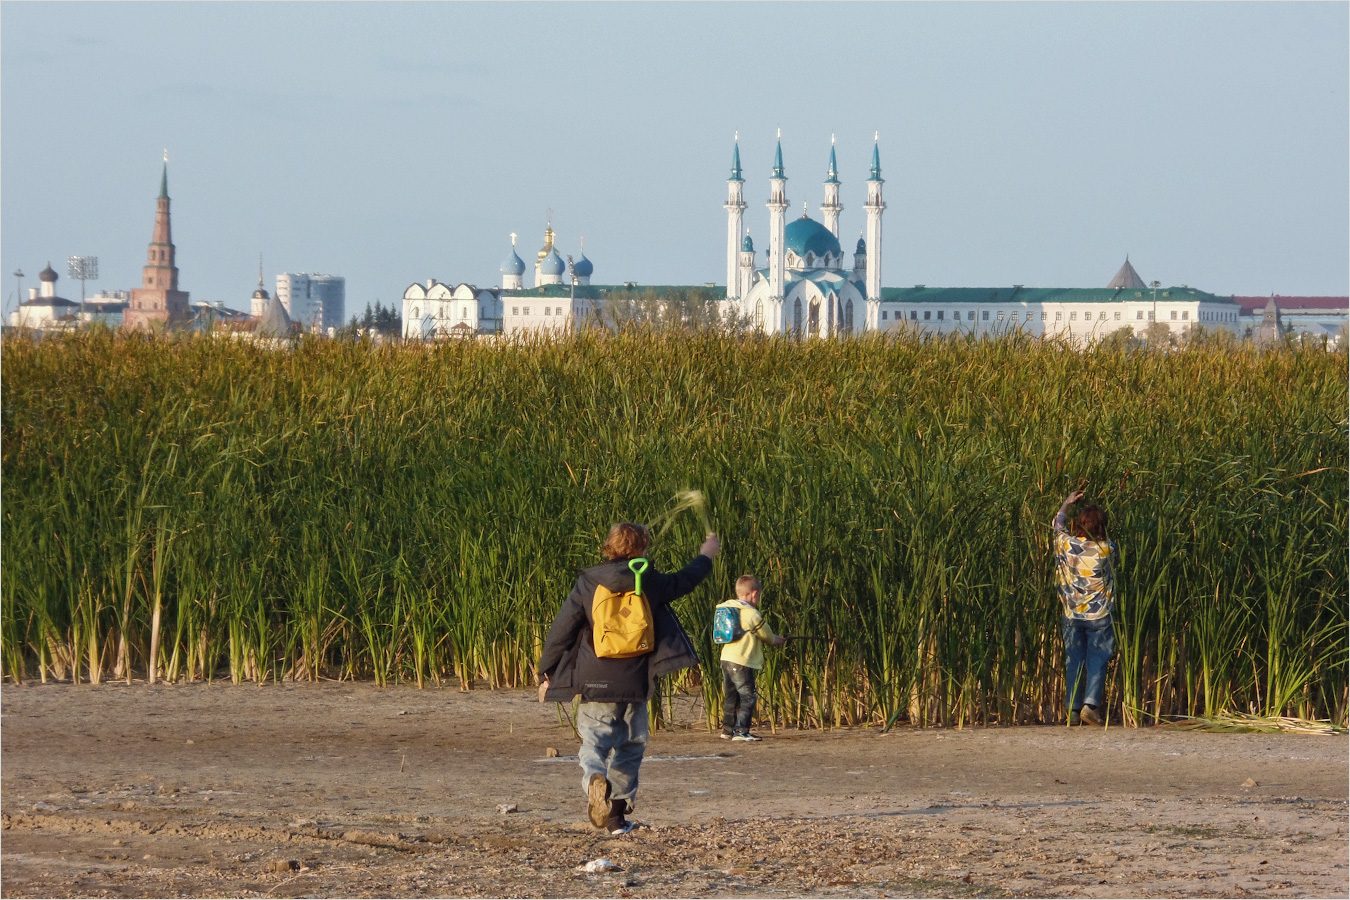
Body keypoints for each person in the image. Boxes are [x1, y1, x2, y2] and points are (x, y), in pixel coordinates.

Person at [538, 523, 720, 835]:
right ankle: (616, 819)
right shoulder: (648, 579)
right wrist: (706, 555)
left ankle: (595, 778)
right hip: (636, 678)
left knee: (594, 740)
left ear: (608, 546)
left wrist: (547, 671)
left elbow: (562, 628)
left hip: (595, 676)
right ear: (642, 549)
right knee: (631, 745)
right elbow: (685, 580)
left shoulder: (588, 582)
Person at [1052, 490, 1117, 726]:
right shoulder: (1106, 549)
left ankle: (1072, 709)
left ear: (1078, 524)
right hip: (1099, 615)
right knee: (1097, 660)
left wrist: (1066, 503)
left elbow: (1057, 524)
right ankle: (1090, 706)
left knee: (1074, 661)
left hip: (1071, 614)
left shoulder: (1066, 544)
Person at [715, 574, 786, 741]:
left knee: (731, 695)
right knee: (748, 696)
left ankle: (727, 730)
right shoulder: (751, 613)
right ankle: (742, 731)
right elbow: (766, 635)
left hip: (726, 658)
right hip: (742, 660)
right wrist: (776, 639)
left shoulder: (727, 609)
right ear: (754, 594)